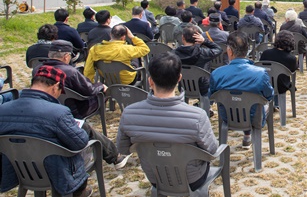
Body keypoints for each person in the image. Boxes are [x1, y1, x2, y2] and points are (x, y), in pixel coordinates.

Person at [117, 53, 218, 191]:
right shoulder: (197, 116)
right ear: (179, 78)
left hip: (154, 177)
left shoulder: (129, 113)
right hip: (192, 179)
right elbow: (212, 150)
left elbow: (122, 148)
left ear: (150, 81)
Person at [0, 66, 91, 197]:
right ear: (56, 86)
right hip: (57, 174)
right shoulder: (58, 112)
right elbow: (80, 143)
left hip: (17, 170)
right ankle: (79, 191)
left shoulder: (2, 110)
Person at [37, 40, 130, 169]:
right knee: (103, 94)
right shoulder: (70, 72)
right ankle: (114, 155)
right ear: (66, 56)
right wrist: (100, 86)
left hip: (49, 110)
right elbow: (89, 90)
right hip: (76, 109)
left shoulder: (38, 70)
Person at [209, 31, 274, 148]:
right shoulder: (260, 73)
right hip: (254, 117)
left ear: (229, 51)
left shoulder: (216, 74)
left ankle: (245, 137)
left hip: (227, 117)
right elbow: (269, 96)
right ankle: (248, 137)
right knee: (259, 103)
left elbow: (211, 95)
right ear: (247, 50)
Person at [84, 25, 150, 85]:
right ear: (123, 37)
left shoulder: (95, 49)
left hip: (107, 78)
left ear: (110, 35)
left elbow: (88, 69)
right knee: (135, 58)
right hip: (128, 80)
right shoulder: (127, 49)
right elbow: (145, 49)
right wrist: (132, 37)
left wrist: (91, 84)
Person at [259, 31, 298, 109]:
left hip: (265, 83)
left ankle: (273, 104)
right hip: (281, 86)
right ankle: (277, 104)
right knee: (279, 78)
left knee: (272, 77)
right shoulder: (291, 59)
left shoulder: (265, 53)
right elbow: (293, 70)